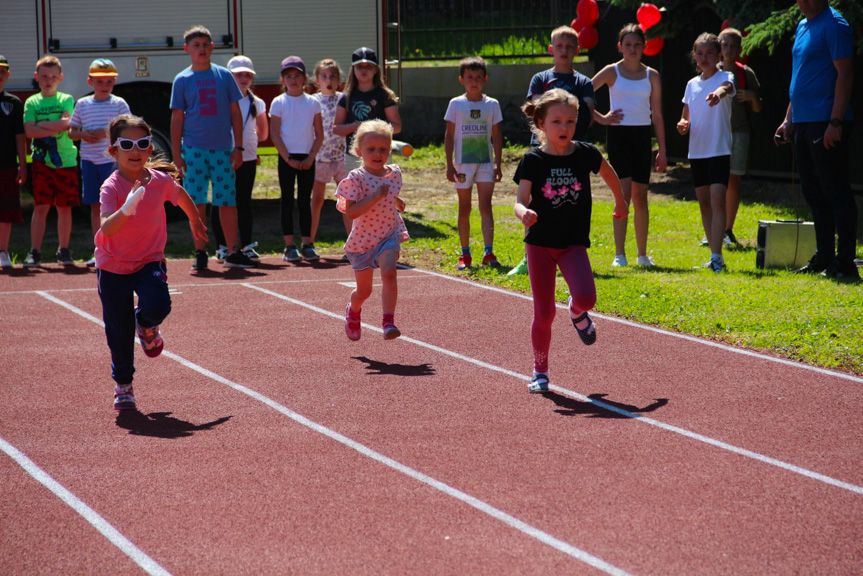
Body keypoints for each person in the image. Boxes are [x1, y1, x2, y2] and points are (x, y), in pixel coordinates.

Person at [513, 89, 627, 393]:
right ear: (541, 123)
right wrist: (524, 213)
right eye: (557, 121)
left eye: (570, 121)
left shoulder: (585, 153)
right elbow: (519, 199)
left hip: (572, 242)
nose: (564, 127)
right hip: (539, 244)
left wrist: (621, 200)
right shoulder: (533, 159)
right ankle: (540, 371)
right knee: (544, 313)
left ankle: (576, 312)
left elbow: (608, 171)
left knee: (587, 298)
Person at [95, 114, 207, 410]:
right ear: (113, 151)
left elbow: (180, 195)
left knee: (159, 305)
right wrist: (127, 209)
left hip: (149, 260)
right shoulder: (111, 187)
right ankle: (123, 384)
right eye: (127, 144)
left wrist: (195, 220)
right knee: (117, 331)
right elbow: (106, 228)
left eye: (142, 143)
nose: (135, 150)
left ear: (149, 149)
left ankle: (145, 325)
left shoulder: (159, 182)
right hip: (113, 266)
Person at [775, 0, 857, 280]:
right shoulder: (802, 25)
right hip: (803, 122)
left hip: (827, 121)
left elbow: (845, 74)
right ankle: (824, 257)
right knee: (813, 191)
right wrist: (789, 119)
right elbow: (800, 77)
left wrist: (835, 122)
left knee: (836, 191)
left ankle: (845, 263)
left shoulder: (835, 24)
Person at [510, 25, 596, 276]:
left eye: (570, 47)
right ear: (551, 49)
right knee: (534, 205)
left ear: (578, 50)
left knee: (569, 201)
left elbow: (587, 111)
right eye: (559, 46)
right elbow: (537, 106)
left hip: (571, 153)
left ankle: (569, 252)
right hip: (543, 150)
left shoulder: (583, 81)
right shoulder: (540, 78)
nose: (564, 51)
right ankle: (530, 256)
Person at [170, 25, 254, 270]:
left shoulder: (224, 76)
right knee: (196, 202)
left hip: (222, 151)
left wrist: (238, 147)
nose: (202, 49)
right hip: (194, 150)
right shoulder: (182, 80)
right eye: (196, 46)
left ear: (212, 48)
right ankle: (200, 252)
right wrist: (177, 153)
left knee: (226, 201)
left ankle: (232, 251)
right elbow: (177, 118)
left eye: (206, 45)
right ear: (187, 49)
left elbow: (235, 113)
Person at [592, 23, 667, 267]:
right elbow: (582, 93)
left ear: (644, 47)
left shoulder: (651, 75)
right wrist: (601, 118)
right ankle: (619, 254)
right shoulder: (611, 71)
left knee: (640, 197)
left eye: (637, 45)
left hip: (642, 137)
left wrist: (663, 151)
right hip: (618, 136)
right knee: (622, 195)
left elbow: (657, 115)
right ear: (620, 47)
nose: (632, 49)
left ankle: (642, 255)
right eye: (628, 45)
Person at [336, 119, 409, 341]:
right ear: (359, 151)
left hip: (388, 233)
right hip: (363, 241)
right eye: (371, 149)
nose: (378, 154)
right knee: (364, 292)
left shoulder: (394, 173)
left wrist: (396, 201)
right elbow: (351, 213)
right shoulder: (354, 179)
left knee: (389, 271)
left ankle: (388, 321)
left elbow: (390, 192)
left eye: (383, 149)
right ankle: (354, 310)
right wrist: (375, 196)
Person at [677, 32, 735, 273]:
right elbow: (685, 115)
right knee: (704, 203)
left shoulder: (725, 76)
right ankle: (713, 255)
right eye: (699, 53)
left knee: (717, 198)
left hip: (719, 149)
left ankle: (717, 256)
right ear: (694, 56)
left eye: (709, 53)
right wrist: (682, 124)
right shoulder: (691, 84)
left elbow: (726, 88)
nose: (704, 57)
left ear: (718, 54)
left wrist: (717, 95)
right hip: (697, 152)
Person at [69, 58, 131, 265]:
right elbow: (72, 132)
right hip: (89, 161)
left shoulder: (119, 104)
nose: (104, 86)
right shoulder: (83, 104)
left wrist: (106, 134)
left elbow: (128, 130)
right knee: (96, 205)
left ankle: (120, 247)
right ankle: (101, 248)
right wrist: (84, 134)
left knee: (116, 205)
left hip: (111, 163)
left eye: (109, 82)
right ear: (90, 82)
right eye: (99, 81)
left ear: (114, 82)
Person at [444, 56, 503, 271]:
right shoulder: (456, 104)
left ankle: (488, 252)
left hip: (485, 163)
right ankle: (465, 253)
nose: (474, 81)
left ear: (485, 79)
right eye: (470, 77)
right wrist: (449, 164)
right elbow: (449, 136)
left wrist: (498, 163)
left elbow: (497, 135)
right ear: (462, 79)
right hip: (462, 164)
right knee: (464, 207)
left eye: (479, 77)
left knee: (486, 206)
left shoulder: (492, 105)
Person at [211, 55, 268, 264]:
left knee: (244, 201)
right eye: (238, 75)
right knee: (221, 201)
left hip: (249, 157)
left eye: (247, 75)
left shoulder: (257, 102)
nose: (243, 79)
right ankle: (222, 247)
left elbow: (263, 134)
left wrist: (249, 138)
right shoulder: (221, 99)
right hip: (223, 157)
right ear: (228, 76)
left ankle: (246, 246)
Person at [22, 55, 77, 267]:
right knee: (41, 206)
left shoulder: (66, 99)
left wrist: (42, 124)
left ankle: (63, 249)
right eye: (44, 76)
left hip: (66, 161)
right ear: (37, 77)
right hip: (41, 162)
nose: (48, 80)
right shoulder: (32, 102)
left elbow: (67, 124)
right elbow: (29, 131)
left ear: (60, 78)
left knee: (64, 207)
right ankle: (35, 251)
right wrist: (55, 124)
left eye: (53, 76)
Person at [269, 56, 324, 262]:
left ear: (305, 79)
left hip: (307, 157)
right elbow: (275, 134)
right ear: (283, 79)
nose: (293, 80)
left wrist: (310, 157)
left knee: (304, 201)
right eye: (289, 76)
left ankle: (308, 243)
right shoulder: (278, 102)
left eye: (297, 76)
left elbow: (319, 133)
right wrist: (288, 158)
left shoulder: (313, 102)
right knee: (286, 200)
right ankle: (289, 245)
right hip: (287, 158)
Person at [718, 27, 762, 247]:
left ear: (739, 49)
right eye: (724, 45)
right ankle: (713, 230)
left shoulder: (746, 73)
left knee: (733, 179)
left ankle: (727, 229)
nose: (728, 49)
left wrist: (752, 97)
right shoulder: (709, 71)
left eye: (733, 45)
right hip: (716, 133)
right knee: (715, 181)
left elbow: (757, 109)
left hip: (739, 133)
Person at [333, 47, 401, 172]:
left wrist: (376, 129)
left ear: (376, 70)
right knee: (355, 191)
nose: (364, 70)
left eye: (368, 67)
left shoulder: (385, 95)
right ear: (353, 70)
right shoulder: (346, 97)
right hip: (353, 156)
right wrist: (354, 127)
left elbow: (396, 126)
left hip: (380, 155)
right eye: (359, 67)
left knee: (381, 189)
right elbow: (336, 128)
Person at [310, 58, 347, 247]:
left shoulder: (344, 98)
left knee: (347, 200)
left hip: (341, 157)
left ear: (339, 79)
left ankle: (353, 243)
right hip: (321, 158)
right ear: (317, 80)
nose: (328, 79)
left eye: (332, 76)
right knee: (317, 200)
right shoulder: (313, 101)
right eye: (324, 76)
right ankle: (309, 242)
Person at [0, 56, 27, 269]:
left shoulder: (14, 103)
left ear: (8, 75)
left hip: (8, 165)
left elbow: (20, 136)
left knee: (6, 210)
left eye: (2, 71)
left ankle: (3, 251)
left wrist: (23, 165)